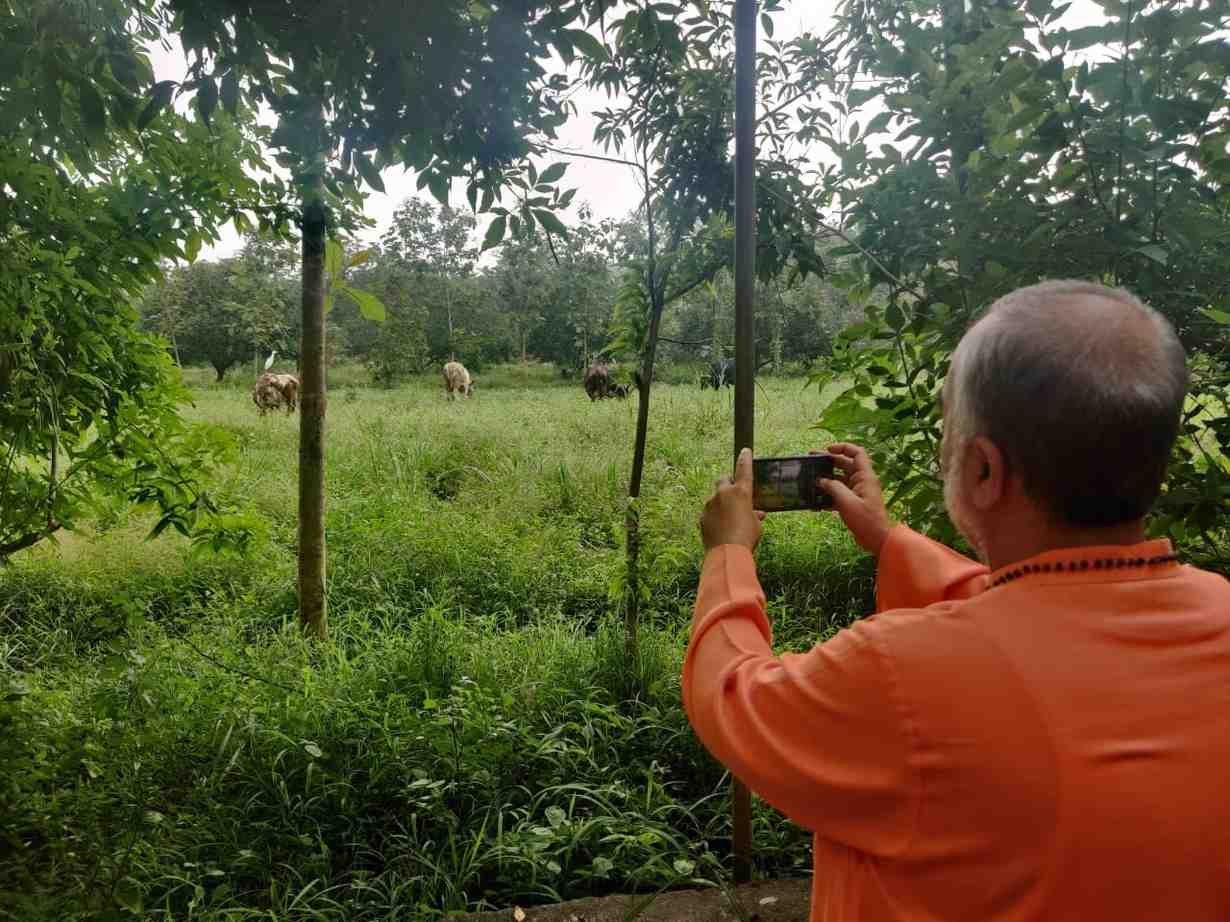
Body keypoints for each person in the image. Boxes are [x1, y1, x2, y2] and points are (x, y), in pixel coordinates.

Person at [686, 280, 1230, 921]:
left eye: (949, 428)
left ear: (982, 470)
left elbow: (732, 694)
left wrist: (729, 553)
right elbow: (1048, 617)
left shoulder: (901, 675)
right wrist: (888, 541)